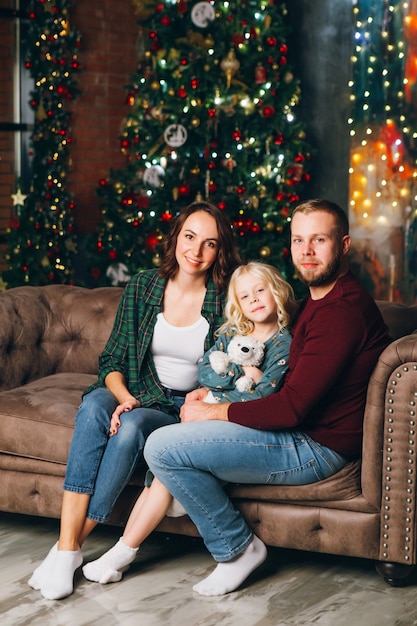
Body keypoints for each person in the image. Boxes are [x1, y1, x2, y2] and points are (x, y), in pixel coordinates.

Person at [143, 198, 392, 597]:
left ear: (343, 245)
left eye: (320, 240)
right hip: (304, 434)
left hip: (313, 447)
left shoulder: (340, 313)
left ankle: (236, 549)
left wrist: (214, 411)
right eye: (298, 240)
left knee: (162, 447)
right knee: (175, 439)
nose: (307, 252)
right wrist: (219, 391)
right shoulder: (318, 298)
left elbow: (292, 407)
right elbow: (277, 371)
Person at [28, 200, 242, 600]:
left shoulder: (225, 298)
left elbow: (229, 370)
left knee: (129, 431)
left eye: (209, 244)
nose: (195, 251)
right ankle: (70, 548)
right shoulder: (144, 286)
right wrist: (125, 399)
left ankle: (64, 550)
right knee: (94, 407)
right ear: (176, 236)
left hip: (178, 407)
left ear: (220, 251)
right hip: (136, 390)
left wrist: (137, 410)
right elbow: (110, 360)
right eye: (190, 237)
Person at [81, 261, 297, 585]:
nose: (253, 299)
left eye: (260, 290)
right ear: (237, 304)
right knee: (160, 468)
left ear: (276, 290)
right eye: (245, 295)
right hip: (210, 411)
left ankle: (123, 551)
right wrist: (241, 374)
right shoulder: (233, 332)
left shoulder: (283, 343)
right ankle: (120, 552)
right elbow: (205, 371)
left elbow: (262, 398)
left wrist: (219, 395)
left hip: (238, 424)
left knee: (166, 469)